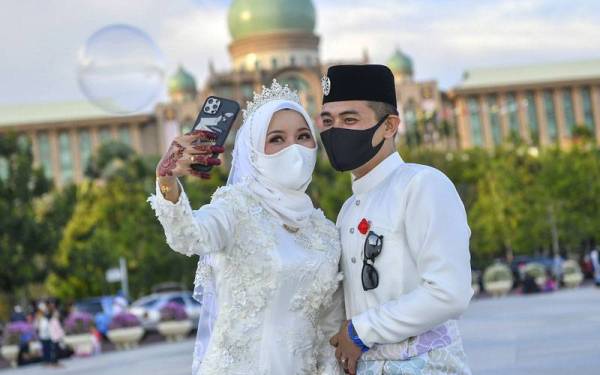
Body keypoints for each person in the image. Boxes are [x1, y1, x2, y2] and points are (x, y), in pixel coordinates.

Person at [148, 80, 344, 374]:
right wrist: (166, 180)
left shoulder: (325, 231)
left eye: (303, 136)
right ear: (253, 150)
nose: (293, 148)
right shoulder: (235, 207)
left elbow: (329, 327)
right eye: (277, 139)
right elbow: (188, 236)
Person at [319, 65, 473, 375]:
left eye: (349, 119)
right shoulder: (349, 208)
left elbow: (449, 293)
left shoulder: (422, 185)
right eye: (327, 121)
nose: (335, 131)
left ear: (389, 126)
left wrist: (361, 330)